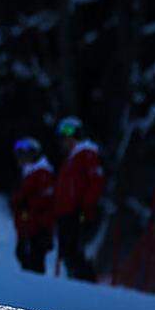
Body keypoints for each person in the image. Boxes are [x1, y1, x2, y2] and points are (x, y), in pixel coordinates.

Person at [53, 116, 105, 281]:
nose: (64, 141)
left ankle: (86, 284)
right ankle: (77, 284)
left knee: (73, 251)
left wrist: (86, 208)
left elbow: (95, 181)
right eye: (62, 137)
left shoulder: (87, 153)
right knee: (68, 251)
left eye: (68, 135)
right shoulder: (71, 158)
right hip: (67, 213)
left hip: (77, 212)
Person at [10, 137, 55, 274]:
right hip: (28, 228)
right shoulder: (29, 173)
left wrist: (24, 208)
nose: (20, 158)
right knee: (24, 257)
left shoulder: (42, 173)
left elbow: (43, 202)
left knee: (34, 263)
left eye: (24, 154)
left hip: (36, 229)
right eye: (19, 154)